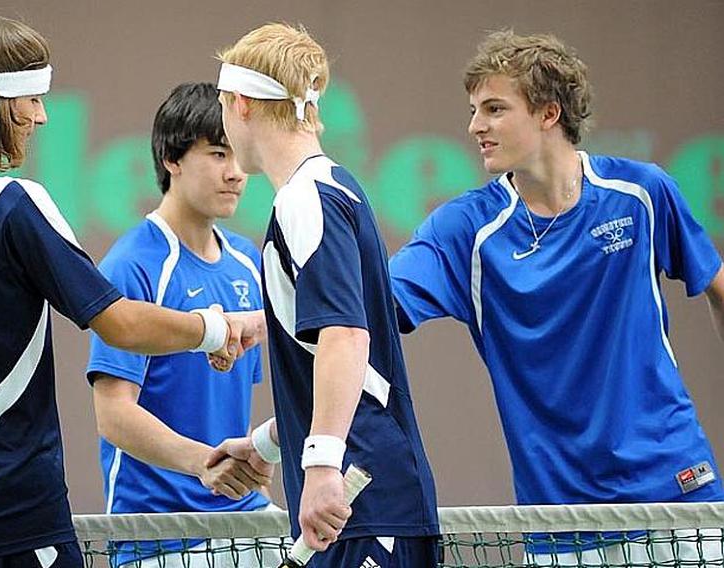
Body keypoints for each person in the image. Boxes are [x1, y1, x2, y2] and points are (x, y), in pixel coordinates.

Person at [0, 15, 260, 566]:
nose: (42, 117)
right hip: (13, 512)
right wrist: (217, 328)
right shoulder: (11, 205)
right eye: (33, 100)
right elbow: (117, 323)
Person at [388, 30, 724, 564]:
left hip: (676, 492)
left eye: (494, 109)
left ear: (549, 113)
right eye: (474, 110)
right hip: (563, 521)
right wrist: (245, 324)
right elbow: (364, 311)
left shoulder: (641, 193)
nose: (476, 126)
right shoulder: (465, 230)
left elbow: (718, 287)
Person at [209, 22, 440, 568]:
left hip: (359, 504)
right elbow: (344, 363)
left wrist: (320, 466)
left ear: (240, 103)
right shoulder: (333, 189)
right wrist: (273, 444)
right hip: (365, 499)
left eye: (221, 106)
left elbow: (345, 337)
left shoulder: (305, 199)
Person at [86, 82, 282, 568]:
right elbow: (113, 416)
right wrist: (203, 464)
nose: (236, 173)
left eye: (238, 155)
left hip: (246, 521)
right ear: (172, 159)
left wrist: (258, 455)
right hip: (157, 534)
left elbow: (230, 406)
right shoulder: (132, 265)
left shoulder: (248, 261)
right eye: (218, 154)